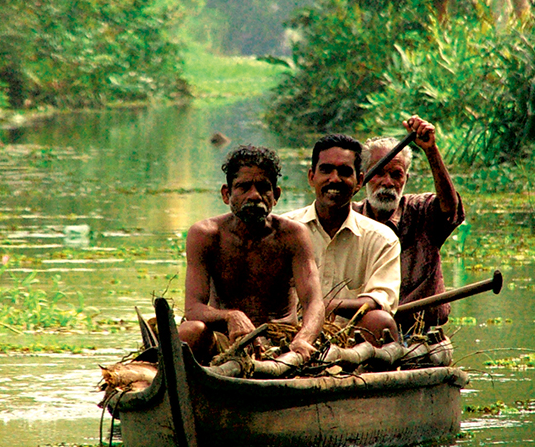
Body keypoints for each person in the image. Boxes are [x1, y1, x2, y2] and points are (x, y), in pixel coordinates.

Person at [180, 145, 325, 363]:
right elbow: (193, 308)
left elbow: (314, 302)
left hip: (280, 339)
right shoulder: (205, 235)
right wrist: (231, 316)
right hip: (227, 337)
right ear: (226, 194)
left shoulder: (293, 235)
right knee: (190, 331)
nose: (254, 195)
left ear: (275, 196)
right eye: (243, 187)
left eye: (263, 188)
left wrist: (303, 339)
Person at [282, 134, 401, 345]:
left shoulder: (383, 239)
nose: (334, 179)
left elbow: (379, 300)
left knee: (379, 320)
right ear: (311, 177)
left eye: (345, 172)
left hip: (351, 342)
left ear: (359, 182)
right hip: (288, 335)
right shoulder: (282, 230)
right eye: (326, 170)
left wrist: (324, 306)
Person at [354, 115, 465, 333]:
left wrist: (431, 151)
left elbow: (450, 209)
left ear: (406, 178)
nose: (388, 182)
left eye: (396, 175)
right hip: (365, 332)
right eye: (378, 173)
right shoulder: (351, 218)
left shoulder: (421, 211)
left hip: (420, 334)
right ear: (363, 177)